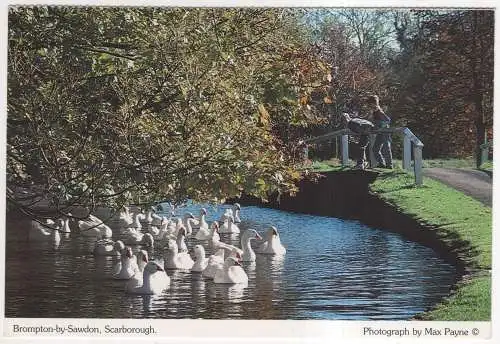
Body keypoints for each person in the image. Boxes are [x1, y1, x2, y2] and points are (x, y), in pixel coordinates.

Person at [367, 95, 393, 169]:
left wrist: (380, 125)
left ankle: (389, 165)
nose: (369, 105)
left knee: (386, 148)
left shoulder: (379, 111)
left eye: (370, 103)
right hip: (380, 132)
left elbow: (388, 120)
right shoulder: (374, 111)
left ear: (374, 103)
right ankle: (381, 163)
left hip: (384, 131)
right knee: (375, 149)